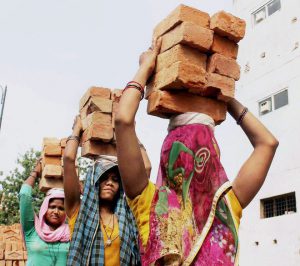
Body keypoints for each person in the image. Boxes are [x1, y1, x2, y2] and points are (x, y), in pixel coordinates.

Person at [114, 38, 279, 265]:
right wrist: (226, 97)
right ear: (213, 154)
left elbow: (123, 120)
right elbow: (267, 143)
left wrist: (145, 68)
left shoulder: (150, 204)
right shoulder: (227, 206)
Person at [63, 116, 141, 266]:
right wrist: (77, 130)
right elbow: (68, 160)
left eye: (115, 179)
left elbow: (144, 169)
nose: (110, 183)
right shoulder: (78, 212)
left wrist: (130, 133)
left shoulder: (126, 216)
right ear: (93, 181)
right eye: (103, 177)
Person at [19, 158, 70, 266]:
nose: (56, 211)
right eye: (52, 207)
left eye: (61, 208)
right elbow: (24, 195)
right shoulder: (32, 230)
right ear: (44, 208)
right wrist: (36, 172)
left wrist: (72, 177)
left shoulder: (70, 233)